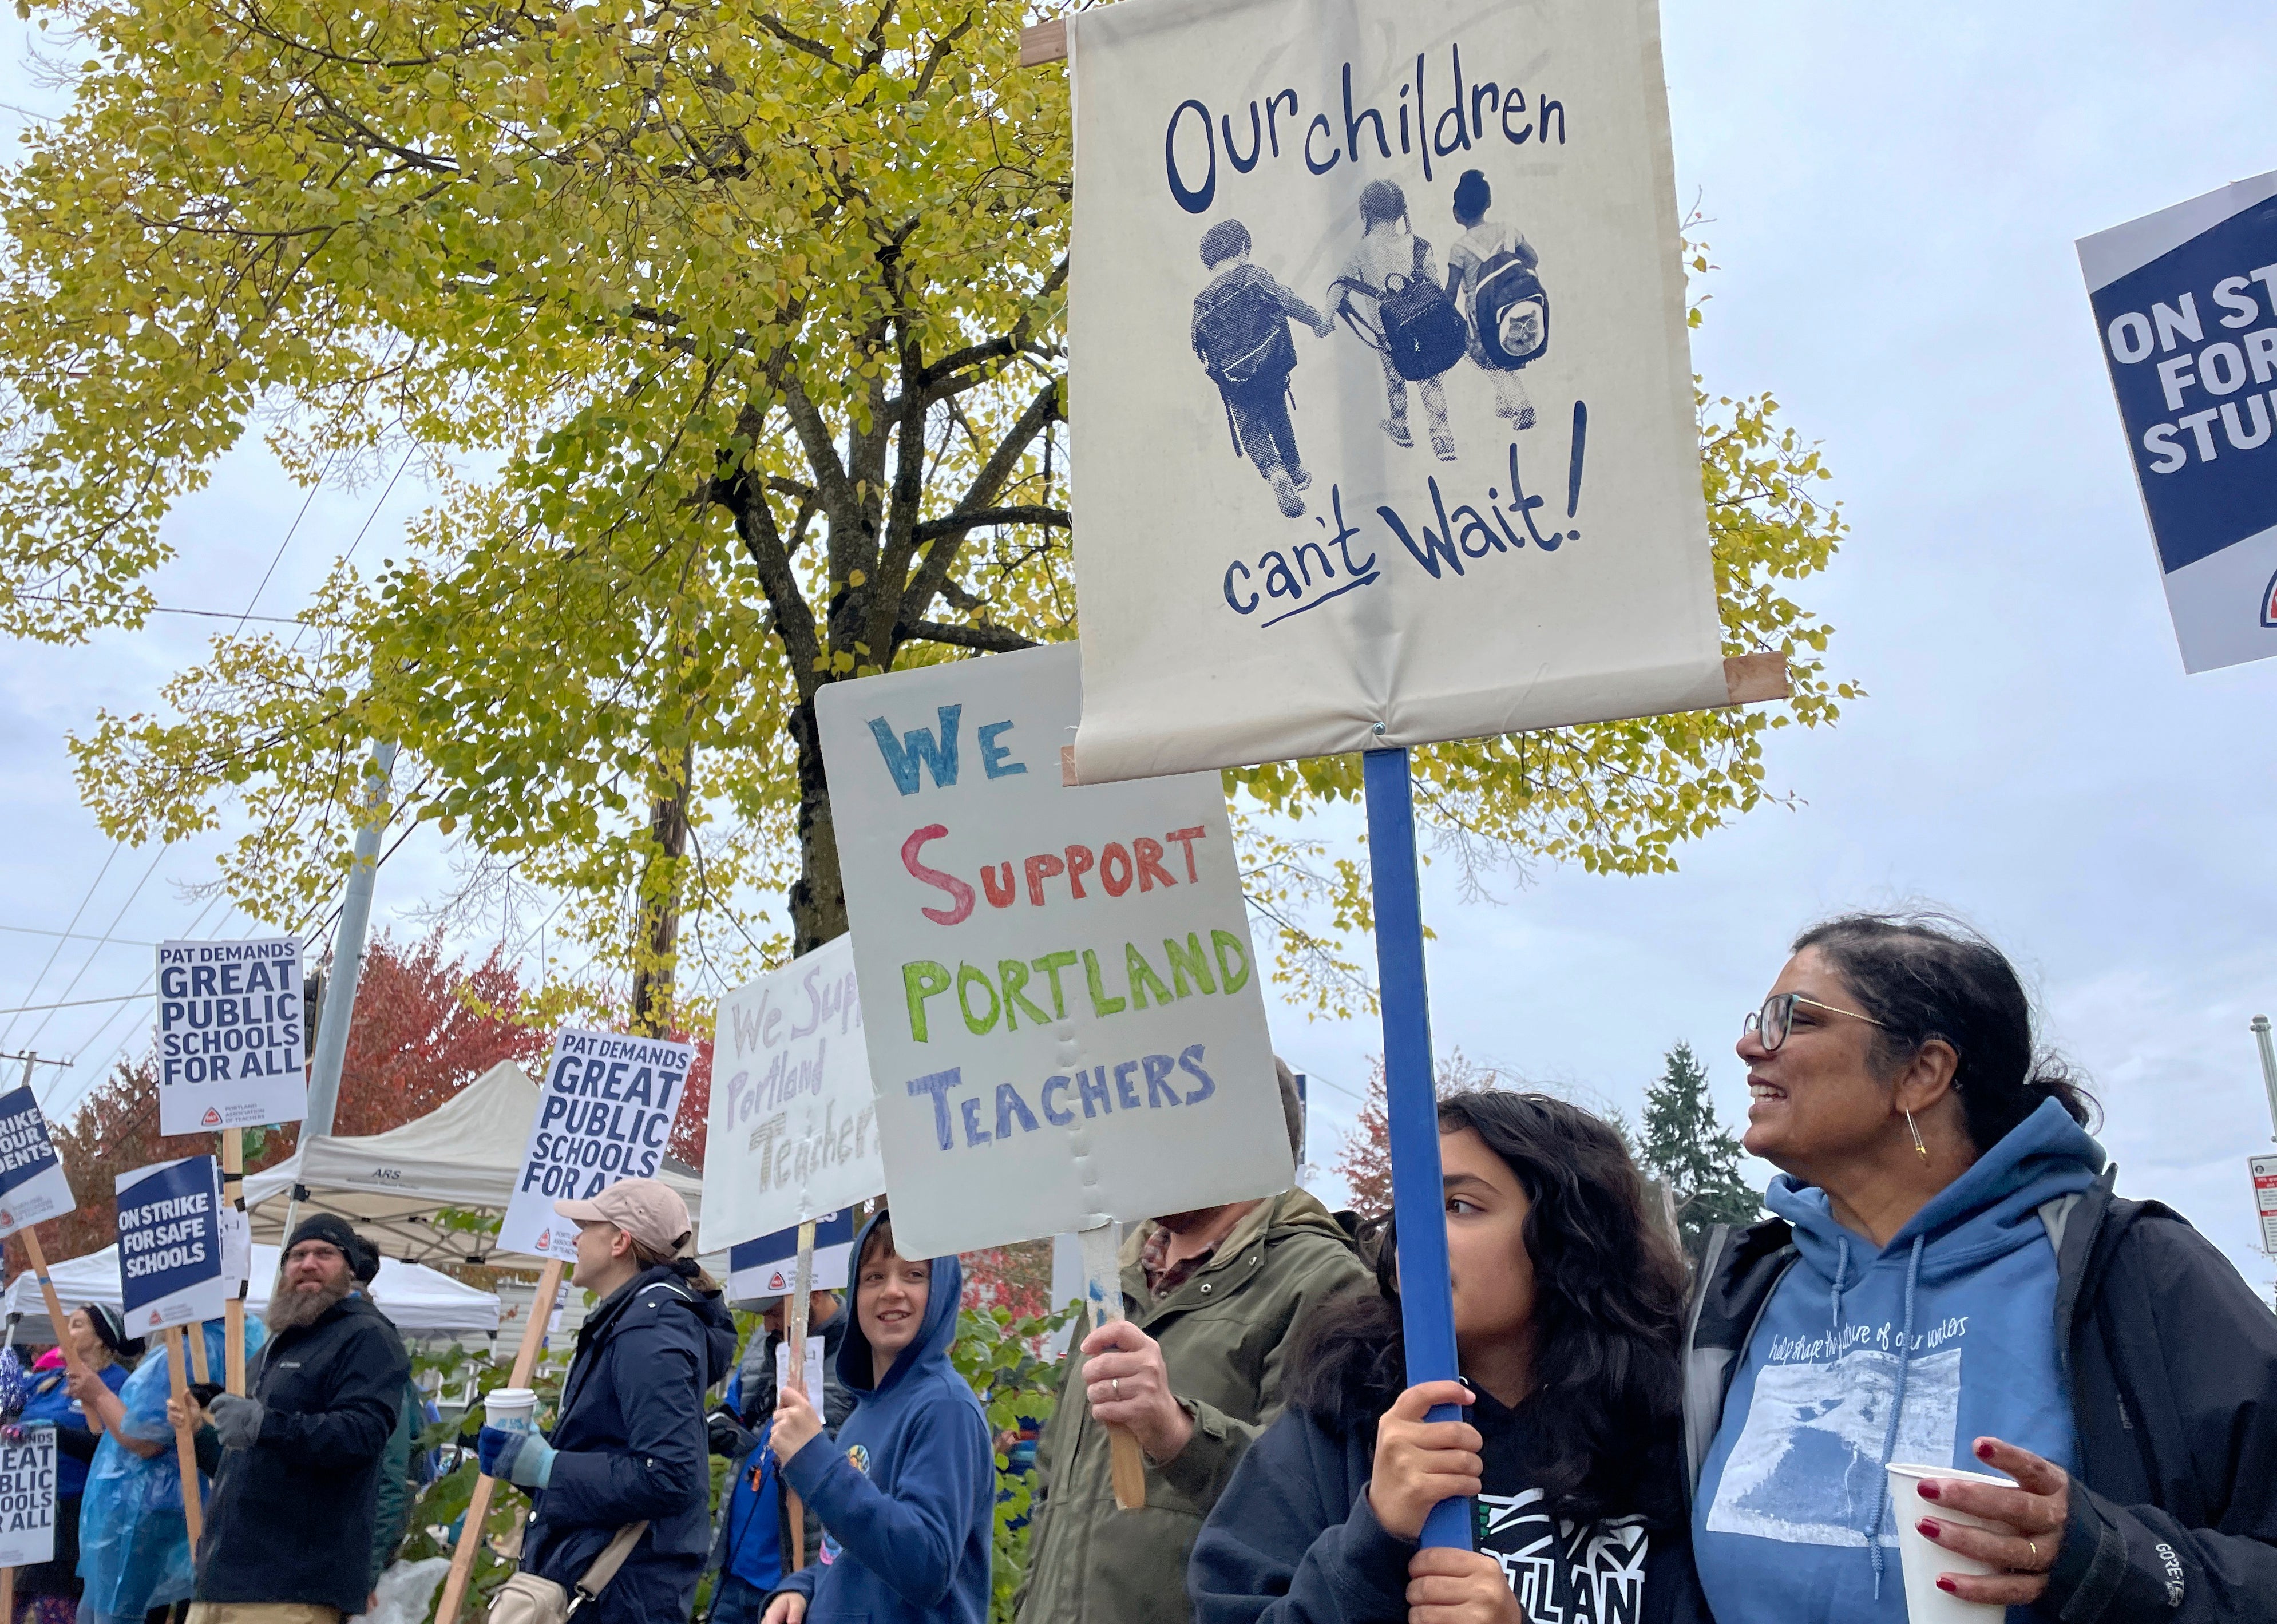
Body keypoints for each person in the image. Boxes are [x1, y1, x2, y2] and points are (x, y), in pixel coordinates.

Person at [1688, 913, 2277, 1623]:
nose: (1750, 1045)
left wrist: (2114, 1561)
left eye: (1796, 1019)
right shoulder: (1741, 1295)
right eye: (1760, 1021)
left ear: (1922, 1073)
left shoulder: (2132, 1270)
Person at [1189, 1092, 1705, 1624]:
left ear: (1569, 1237)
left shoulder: (1668, 1435)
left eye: (1460, 1206)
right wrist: (1375, 1540)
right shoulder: (1337, 1423)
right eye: (1408, 1206)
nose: (1415, 1234)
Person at [1014, 1060, 1370, 1624]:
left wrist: (1177, 1434)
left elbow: (1309, 1506)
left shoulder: (1325, 1282)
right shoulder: (1114, 1285)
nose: (1133, 1141)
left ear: (1247, 1134)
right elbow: (1052, 1485)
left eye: (1161, 1115)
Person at [478, 1179, 736, 1624]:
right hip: (609, 1582)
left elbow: (668, 1475)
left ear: (620, 1242)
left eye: (586, 1228)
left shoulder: (649, 1330)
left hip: (617, 1591)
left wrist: (549, 1468)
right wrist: (530, 1463)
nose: (576, 1239)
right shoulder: (637, 1320)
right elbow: (614, 1449)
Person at [760, 1211, 992, 1624]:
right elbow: (849, 1555)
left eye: (915, 1275)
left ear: (943, 1291)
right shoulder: (863, 1413)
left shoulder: (945, 1407)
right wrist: (804, 1588)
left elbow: (926, 1566)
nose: (892, 1291)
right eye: (874, 1277)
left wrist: (816, 1462)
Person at [184, 1214, 411, 1624]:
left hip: (291, 1587)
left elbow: (361, 1435)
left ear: (350, 1268)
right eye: (298, 1255)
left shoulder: (366, 1337)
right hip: (224, 1579)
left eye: (325, 1254)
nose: (308, 1264)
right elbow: (246, 1460)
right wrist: (203, 1427)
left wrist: (264, 1424)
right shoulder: (276, 1345)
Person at [73, 1318, 241, 1624]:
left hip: (145, 1506)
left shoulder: (187, 1351)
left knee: (117, 1611)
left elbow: (145, 1440)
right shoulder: (223, 1344)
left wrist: (98, 1393)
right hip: (160, 1503)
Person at [706, 1289, 856, 1622]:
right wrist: (721, 1428)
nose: (767, 1325)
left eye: (774, 1312)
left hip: (796, 1580)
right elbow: (739, 1411)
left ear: (813, 1294)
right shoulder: (764, 1341)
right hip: (736, 1570)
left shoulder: (857, 1356)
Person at [1191, 219, 1334, 519]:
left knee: (1251, 428)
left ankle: (1275, 472)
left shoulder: (1202, 301)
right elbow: (1287, 300)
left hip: (1234, 378)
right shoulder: (1253, 275)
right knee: (1278, 413)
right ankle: (1294, 467)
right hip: (1271, 365)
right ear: (1243, 247)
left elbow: (1198, 345)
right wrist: (1318, 321)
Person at [11, 1306, 138, 1624]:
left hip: (79, 1513)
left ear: (101, 1340)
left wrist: (56, 1433)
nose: (66, 1331)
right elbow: (12, 1410)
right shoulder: (50, 1380)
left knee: (57, 1607)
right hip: (31, 1508)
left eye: (77, 1325)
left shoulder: (117, 1383)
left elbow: (115, 1446)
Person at [1332, 179, 1458, 460]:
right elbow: (1437, 288)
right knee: (1430, 378)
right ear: (1401, 210)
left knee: (1395, 376)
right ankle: (1442, 439)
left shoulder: (1362, 249)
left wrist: (1326, 319)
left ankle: (1400, 425)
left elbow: (1340, 285)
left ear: (1366, 211)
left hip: (1387, 331)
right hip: (1424, 327)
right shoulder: (1419, 245)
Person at [1442, 169, 1542, 430]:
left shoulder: (1460, 249)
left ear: (1456, 213)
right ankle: (1506, 402)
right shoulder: (1508, 230)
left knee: (1482, 355)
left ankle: (1521, 405)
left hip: (1482, 315)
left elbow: (1451, 292)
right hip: (1514, 308)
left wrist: (1440, 314)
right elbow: (1532, 259)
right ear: (1488, 203)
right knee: (1503, 353)